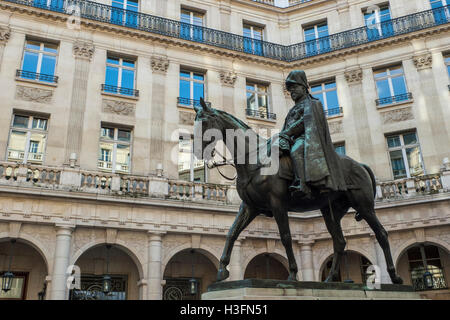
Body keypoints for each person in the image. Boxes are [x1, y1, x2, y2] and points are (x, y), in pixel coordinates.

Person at [278, 70, 347, 198]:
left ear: (303, 88)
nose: (291, 92)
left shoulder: (313, 103)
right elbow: (286, 126)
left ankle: (302, 183)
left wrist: (288, 132)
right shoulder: (292, 109)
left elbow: (305, 122)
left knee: (295, 151)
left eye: (294, 88)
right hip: (291, 139)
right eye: (290, 89)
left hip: (307, 139)